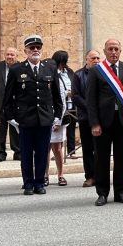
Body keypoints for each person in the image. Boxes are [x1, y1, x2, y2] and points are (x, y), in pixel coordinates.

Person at [3, 35, 62, 195]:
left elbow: (57, 94)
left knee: (43, 152)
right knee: (26, 153)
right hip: (25, 119)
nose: (35, 50)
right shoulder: (16, 70)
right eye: (32, 48)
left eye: (38, 47)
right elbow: (8, 96)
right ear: (25, 51)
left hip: (44, 118)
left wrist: (57, 115)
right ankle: (28, 183)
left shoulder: (49, 68)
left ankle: (39, 183)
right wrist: (11, 118)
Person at [86, 38, 123, 206]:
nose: (113, 52)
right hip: (103, 122)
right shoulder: (96, 71)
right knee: (101, 158)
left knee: (122, 158)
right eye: (110, 49)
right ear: (105, 51)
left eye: (116, 49)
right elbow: (91, 99)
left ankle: (120, 192)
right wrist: (94, 123)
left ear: (120, 51)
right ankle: (102, 193)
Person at [72, 49, 100, 188]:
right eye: (93, 58)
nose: (96, 61)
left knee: (100, 148)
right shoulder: (78, 75)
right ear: (86, 59)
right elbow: (76, 96)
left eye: (98, 58)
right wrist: (91, 108)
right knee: (88, 148)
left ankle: (100, 175)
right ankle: (90, 176)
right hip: (85, 117)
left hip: (101, 118)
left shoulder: (103, 74)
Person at [48, 50, 73, 186]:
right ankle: (45, 175)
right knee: (46, 147)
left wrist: (58, 119)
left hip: (61, 114)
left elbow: (63, 100)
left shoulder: (67, 74)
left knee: (57, 147)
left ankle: (60, 174)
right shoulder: (50, 73)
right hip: (47, 115)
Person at [0, 46, 20, 162]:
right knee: (1, 130)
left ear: (16, 56)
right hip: (0, 103)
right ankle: (1, 153)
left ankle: (18, 152)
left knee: (15, 129)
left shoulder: (21, 67)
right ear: (4, 55)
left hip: (15, 104)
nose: (9, 57)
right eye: (8, 54)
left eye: (12, 55)